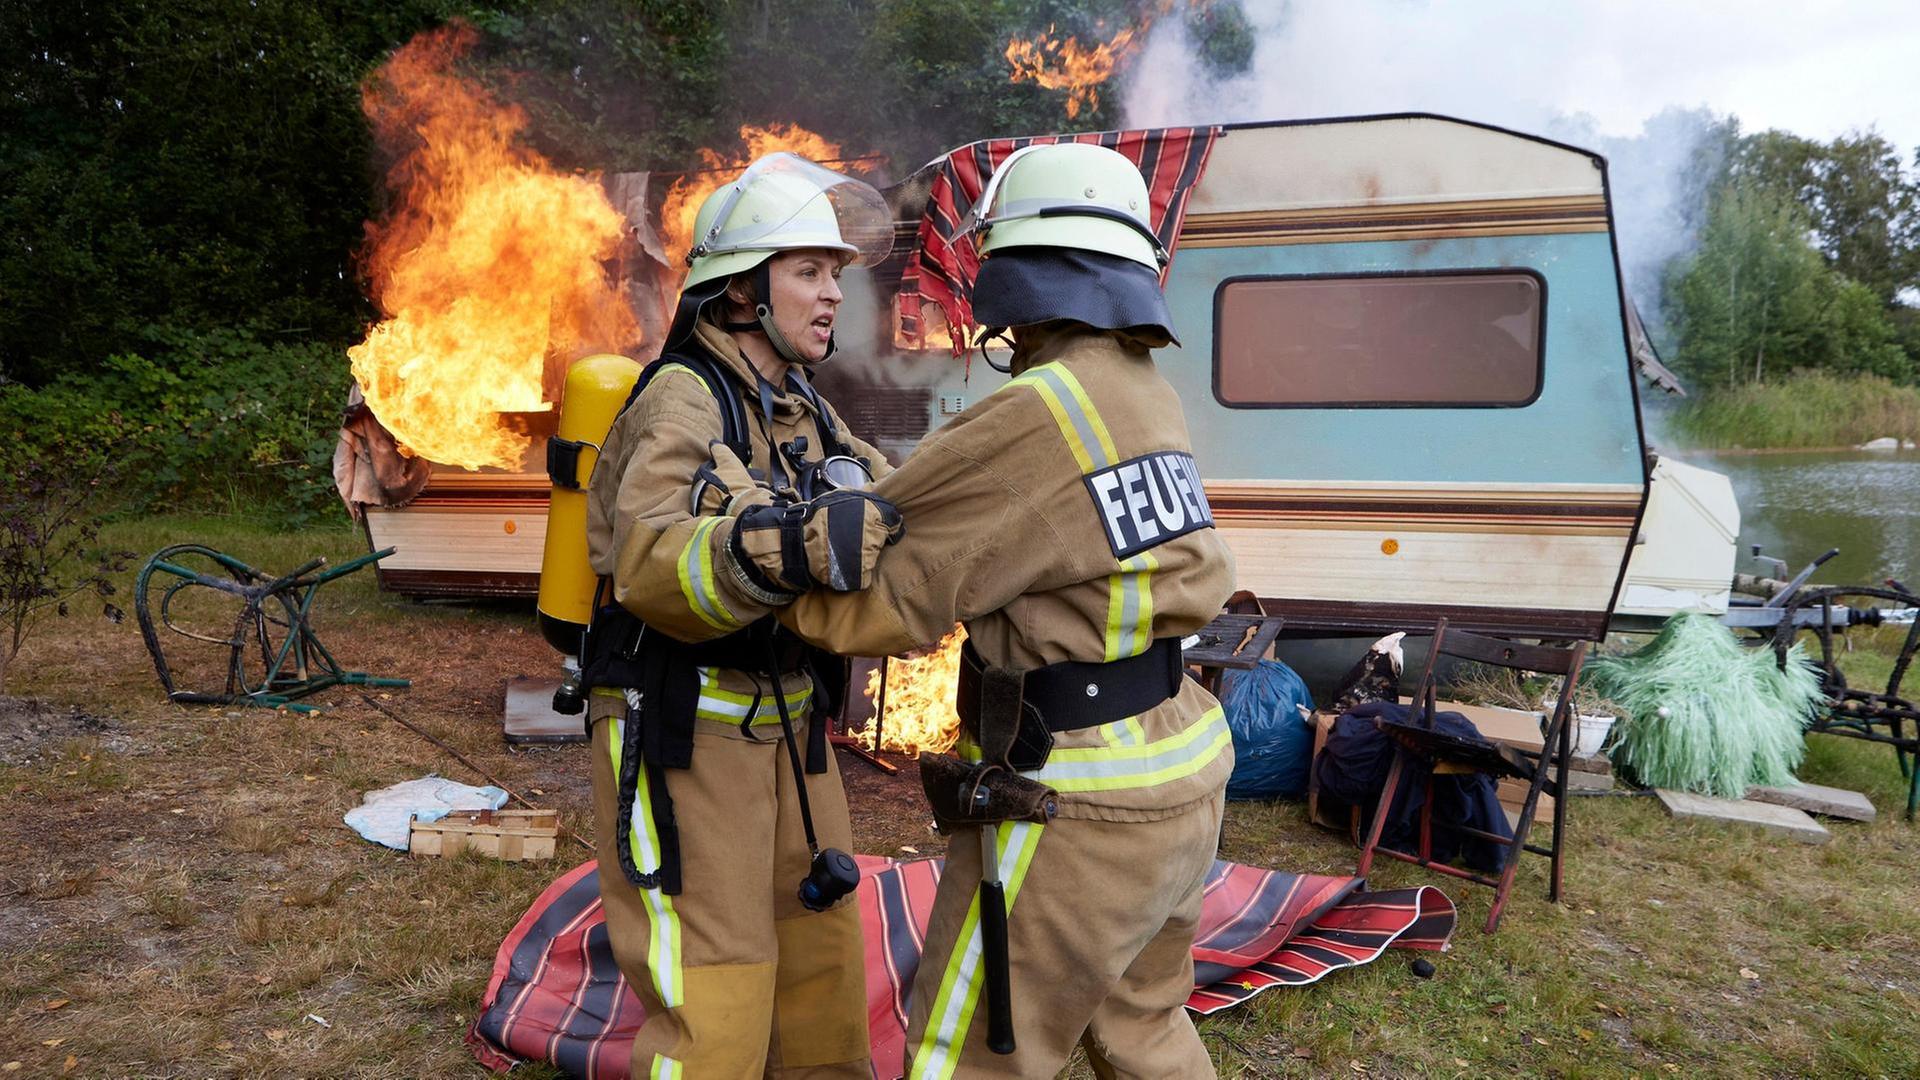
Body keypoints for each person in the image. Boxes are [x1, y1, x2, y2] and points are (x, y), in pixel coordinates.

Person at [702, 141, 1238, 1077]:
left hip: (1074, 798)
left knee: (969, 1057)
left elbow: (885, 603)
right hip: (1181, 764)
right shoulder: (1143, 392)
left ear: (1014, 272)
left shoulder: (1038, 412)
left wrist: (741, 548)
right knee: (1146, 1031)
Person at [580, 152, 904, 1079]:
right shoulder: (683, 396)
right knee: (716, 983)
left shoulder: (802, 405)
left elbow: (889, 494)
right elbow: (649, 563)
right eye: (808, 270)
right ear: (738, 290)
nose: (833, 292)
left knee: (819, 957)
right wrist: (792, 547)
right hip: (683, 722)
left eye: (834, 272)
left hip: (791, 722)